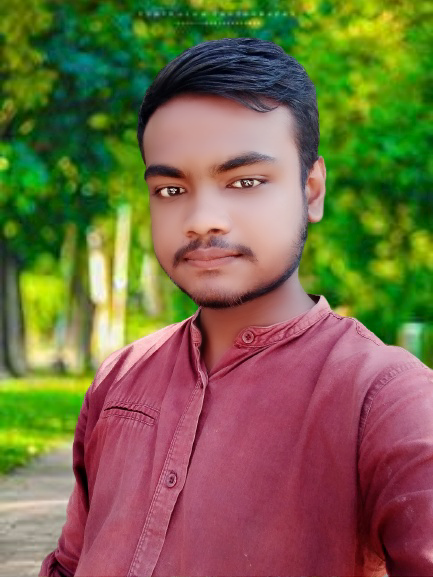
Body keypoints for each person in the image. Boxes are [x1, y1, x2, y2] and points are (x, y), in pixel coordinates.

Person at [40, 37, 433, 577]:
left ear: (312, 190)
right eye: (171, 190)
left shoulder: (386, 399)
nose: (202, 219)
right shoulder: (121, 377)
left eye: (245, 181)